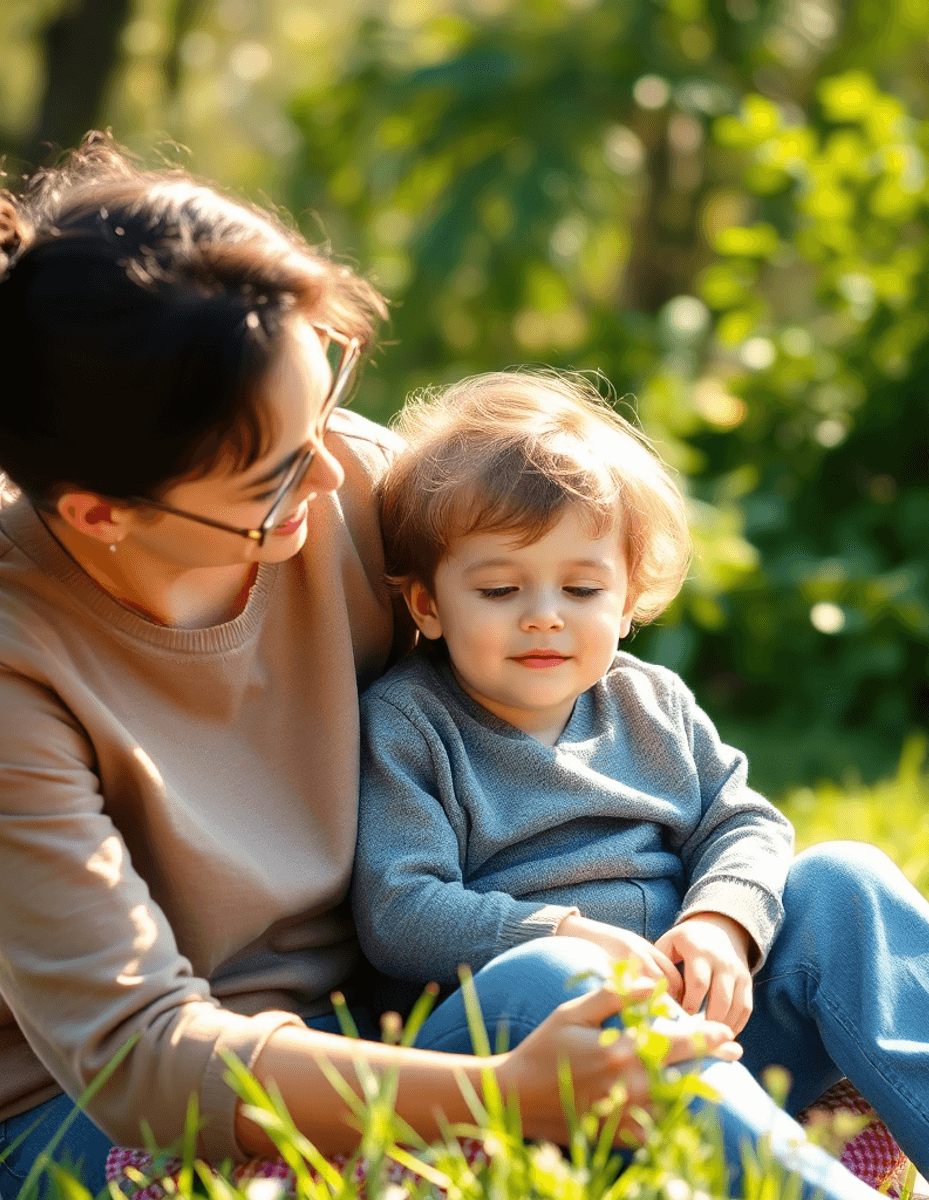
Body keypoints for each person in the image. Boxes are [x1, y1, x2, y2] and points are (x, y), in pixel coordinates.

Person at [0, 131, 849, 1200]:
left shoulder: (347, 485)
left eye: (328, 393)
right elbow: (137, 1055)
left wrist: (688, 915)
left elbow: (555, 643)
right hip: (88, 1111)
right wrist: (508, 1089)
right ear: (101, 513)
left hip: (396, 1012)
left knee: (834, 897)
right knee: (566, 989)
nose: (338, 462)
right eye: (275, 469)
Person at [352, 370, 929, 1189]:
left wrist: (725, 921)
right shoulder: (411, 722)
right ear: (429, 604)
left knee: (847, 879)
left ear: (626, 602)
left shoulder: (646, 699)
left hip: (707, 1027)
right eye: (499, 588)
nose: (545, 614)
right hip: (544, 1057)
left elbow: (744, 823)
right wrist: (557, 934)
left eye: (582, 588)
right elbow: (399, 910)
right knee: (567, 979)